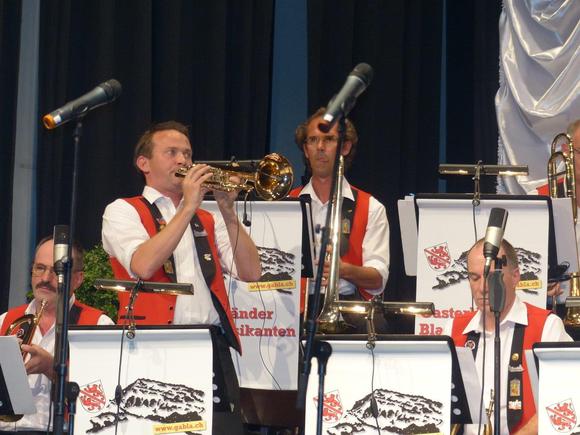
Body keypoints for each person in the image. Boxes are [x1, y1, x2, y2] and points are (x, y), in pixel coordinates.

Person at [101, 120, 261, 435]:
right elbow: (143, 265)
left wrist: (228, 211)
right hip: (152, 344)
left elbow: (251, 272)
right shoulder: (123, 210)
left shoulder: (208, 217)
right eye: (171, 152)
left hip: (210, 343)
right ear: (144, 164)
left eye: (187, 154)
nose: (183, 160)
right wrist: (187, 206)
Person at [444, 238, 572, 435]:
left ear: (515, 276)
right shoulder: (453, 328)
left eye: (491, 277)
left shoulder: (547, 326)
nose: (482, 287)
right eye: (474, 278)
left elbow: (567, 396)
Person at [0, 236, 114, 434]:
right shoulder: (4, 321)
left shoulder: (99, 325)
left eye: (56, 272)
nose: (45, 279)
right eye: (39, 268)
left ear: (78, 279)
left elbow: (106, 398)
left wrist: (52, 370)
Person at [290, 108, 390, 332]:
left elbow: (378, 279)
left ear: (345, 147)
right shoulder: (286, 205)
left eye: (328, 139)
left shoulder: (372, 207)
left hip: (347, 306)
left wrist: (342, 270)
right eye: (313, 140)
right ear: (305, 149)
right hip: (294, 307)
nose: (320, 147)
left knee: (378, 328)